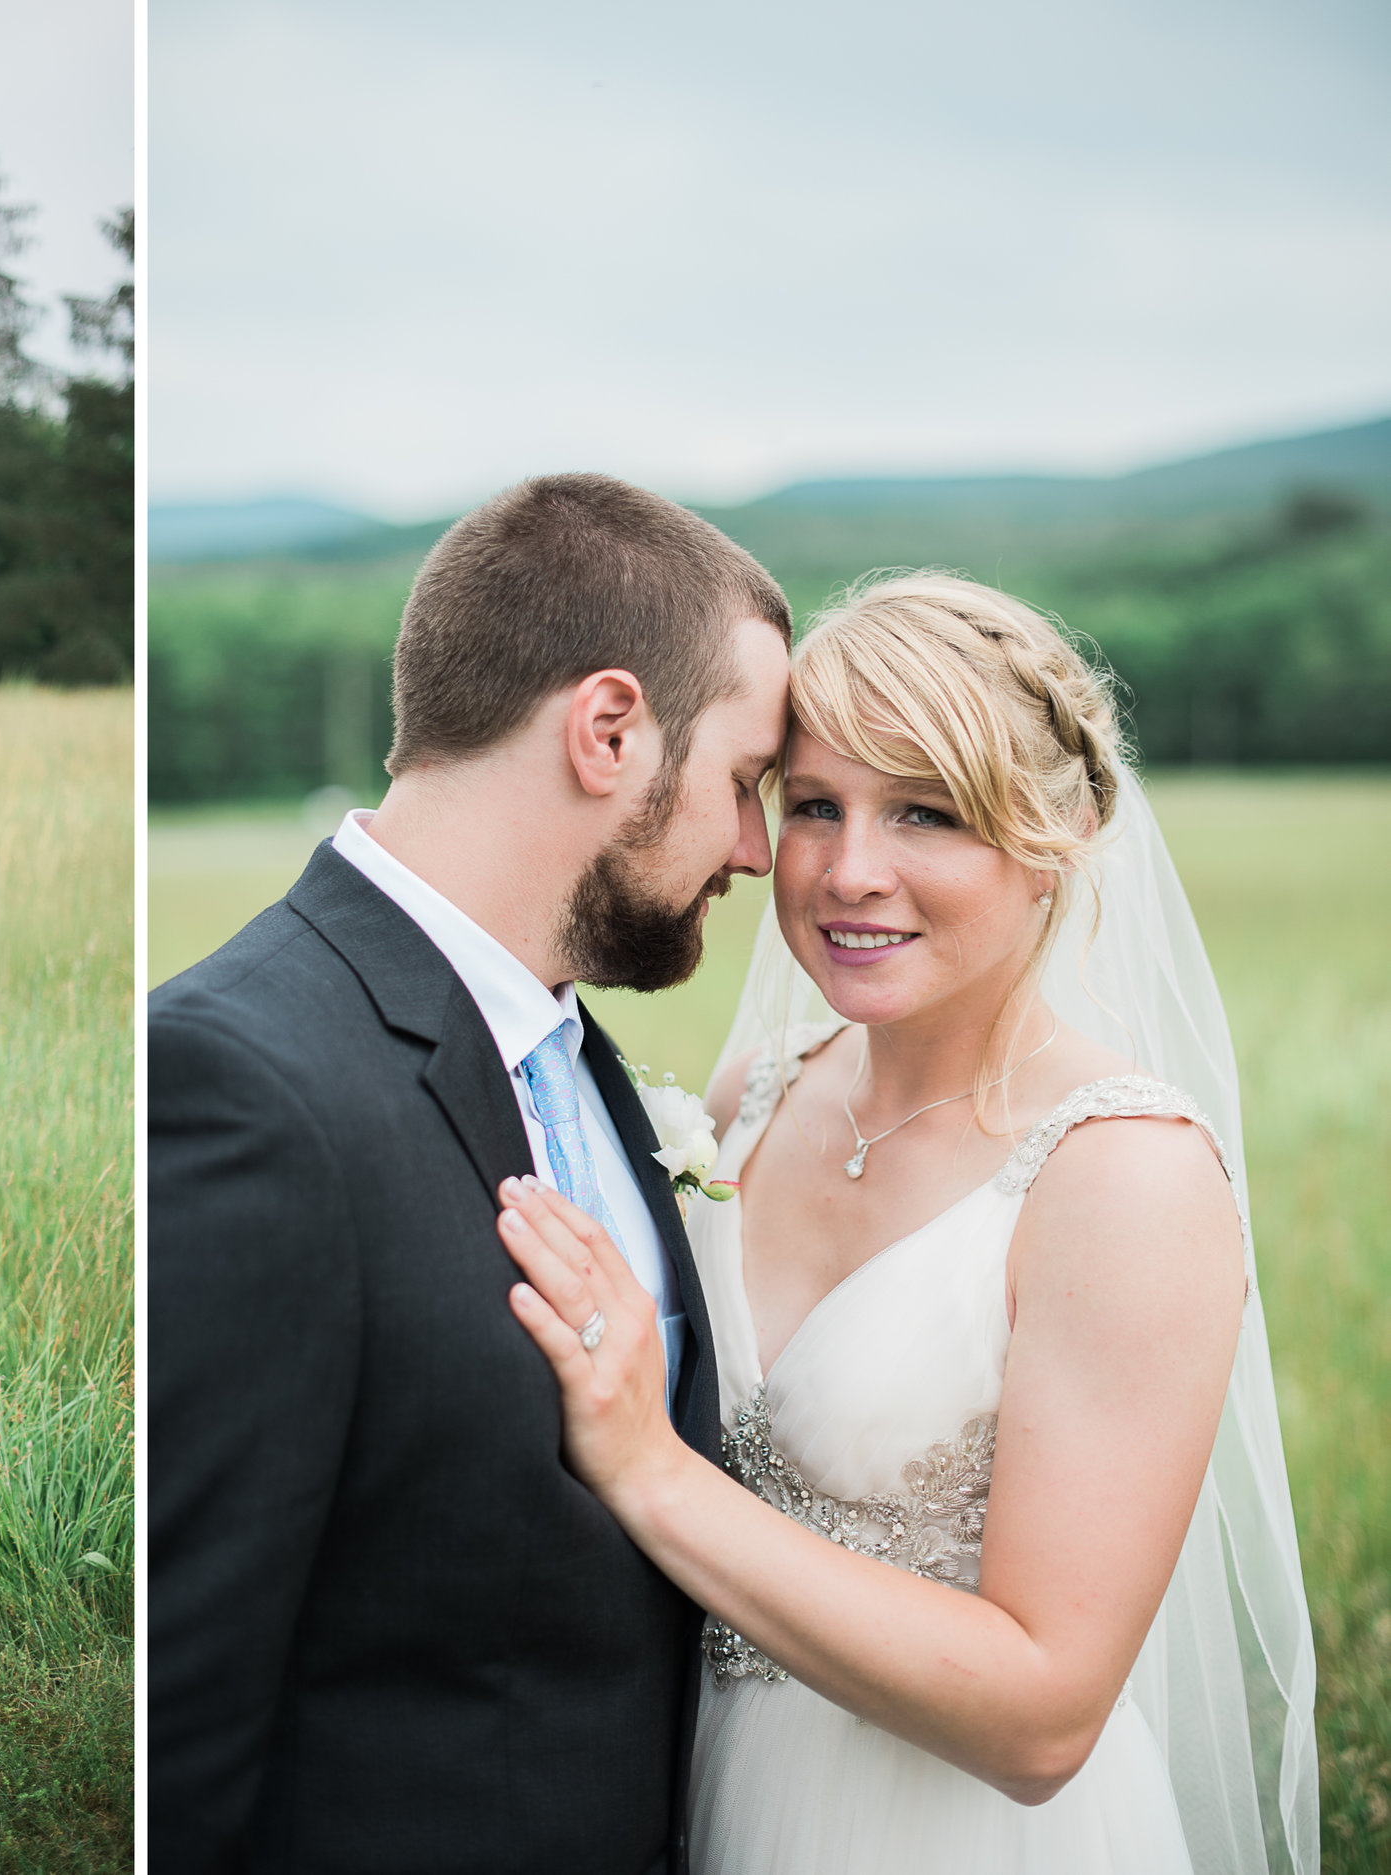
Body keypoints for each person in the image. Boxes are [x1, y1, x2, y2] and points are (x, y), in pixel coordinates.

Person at [496, 575, 1318, 1873]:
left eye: (925, 810)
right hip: (710, 1795)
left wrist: (648, 1468)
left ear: (1060, 833)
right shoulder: (751, 1098)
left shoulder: (1122, 1178)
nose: (847, 870)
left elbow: (1046, 1715)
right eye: (814, 803)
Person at [150, 474, 793, 1873]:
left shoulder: (588, 1061)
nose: (756, 848)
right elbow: (181, 1707)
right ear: (609, 729)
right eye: (746, 781)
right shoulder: (236, 1082)